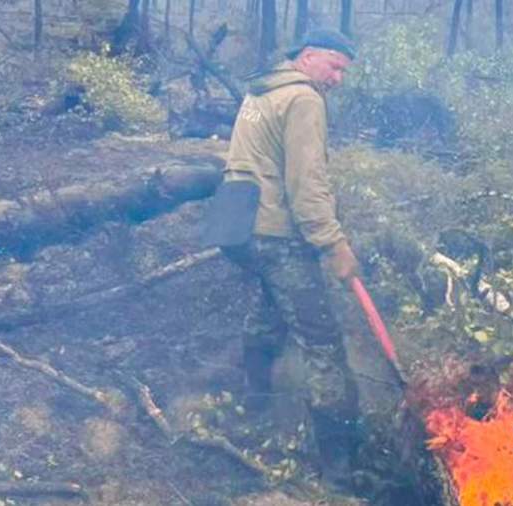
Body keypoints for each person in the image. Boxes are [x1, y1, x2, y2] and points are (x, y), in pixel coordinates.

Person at [206, 29, 362, 489]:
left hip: (240, 229)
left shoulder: (262, 90)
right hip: (274, 232)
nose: (337, 79)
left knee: (272, 306)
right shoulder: (303, 100)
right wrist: (332, 243)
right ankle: (339, 469)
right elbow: (306, 184)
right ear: (308, 57)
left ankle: (256, 405)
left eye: (343, 72)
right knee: (322, 342)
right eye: (334, 66)